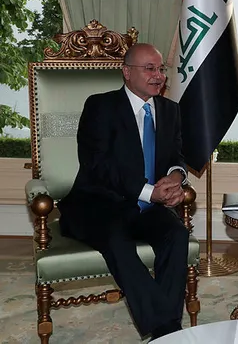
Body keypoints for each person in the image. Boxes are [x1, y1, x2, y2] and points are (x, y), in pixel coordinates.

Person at [58, 43, 190, 341]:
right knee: (117, 241)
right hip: (98, 205)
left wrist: (175, 178)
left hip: (146, 208)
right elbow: (98, 165)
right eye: (149, 69)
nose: (158, 75)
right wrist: (149, 192)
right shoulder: (100, 107)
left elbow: (176, 156)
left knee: (177, 235)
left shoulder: (169, 110)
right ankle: (168, 330)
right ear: (127, 72)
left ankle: (164, 331)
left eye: (160, 69)